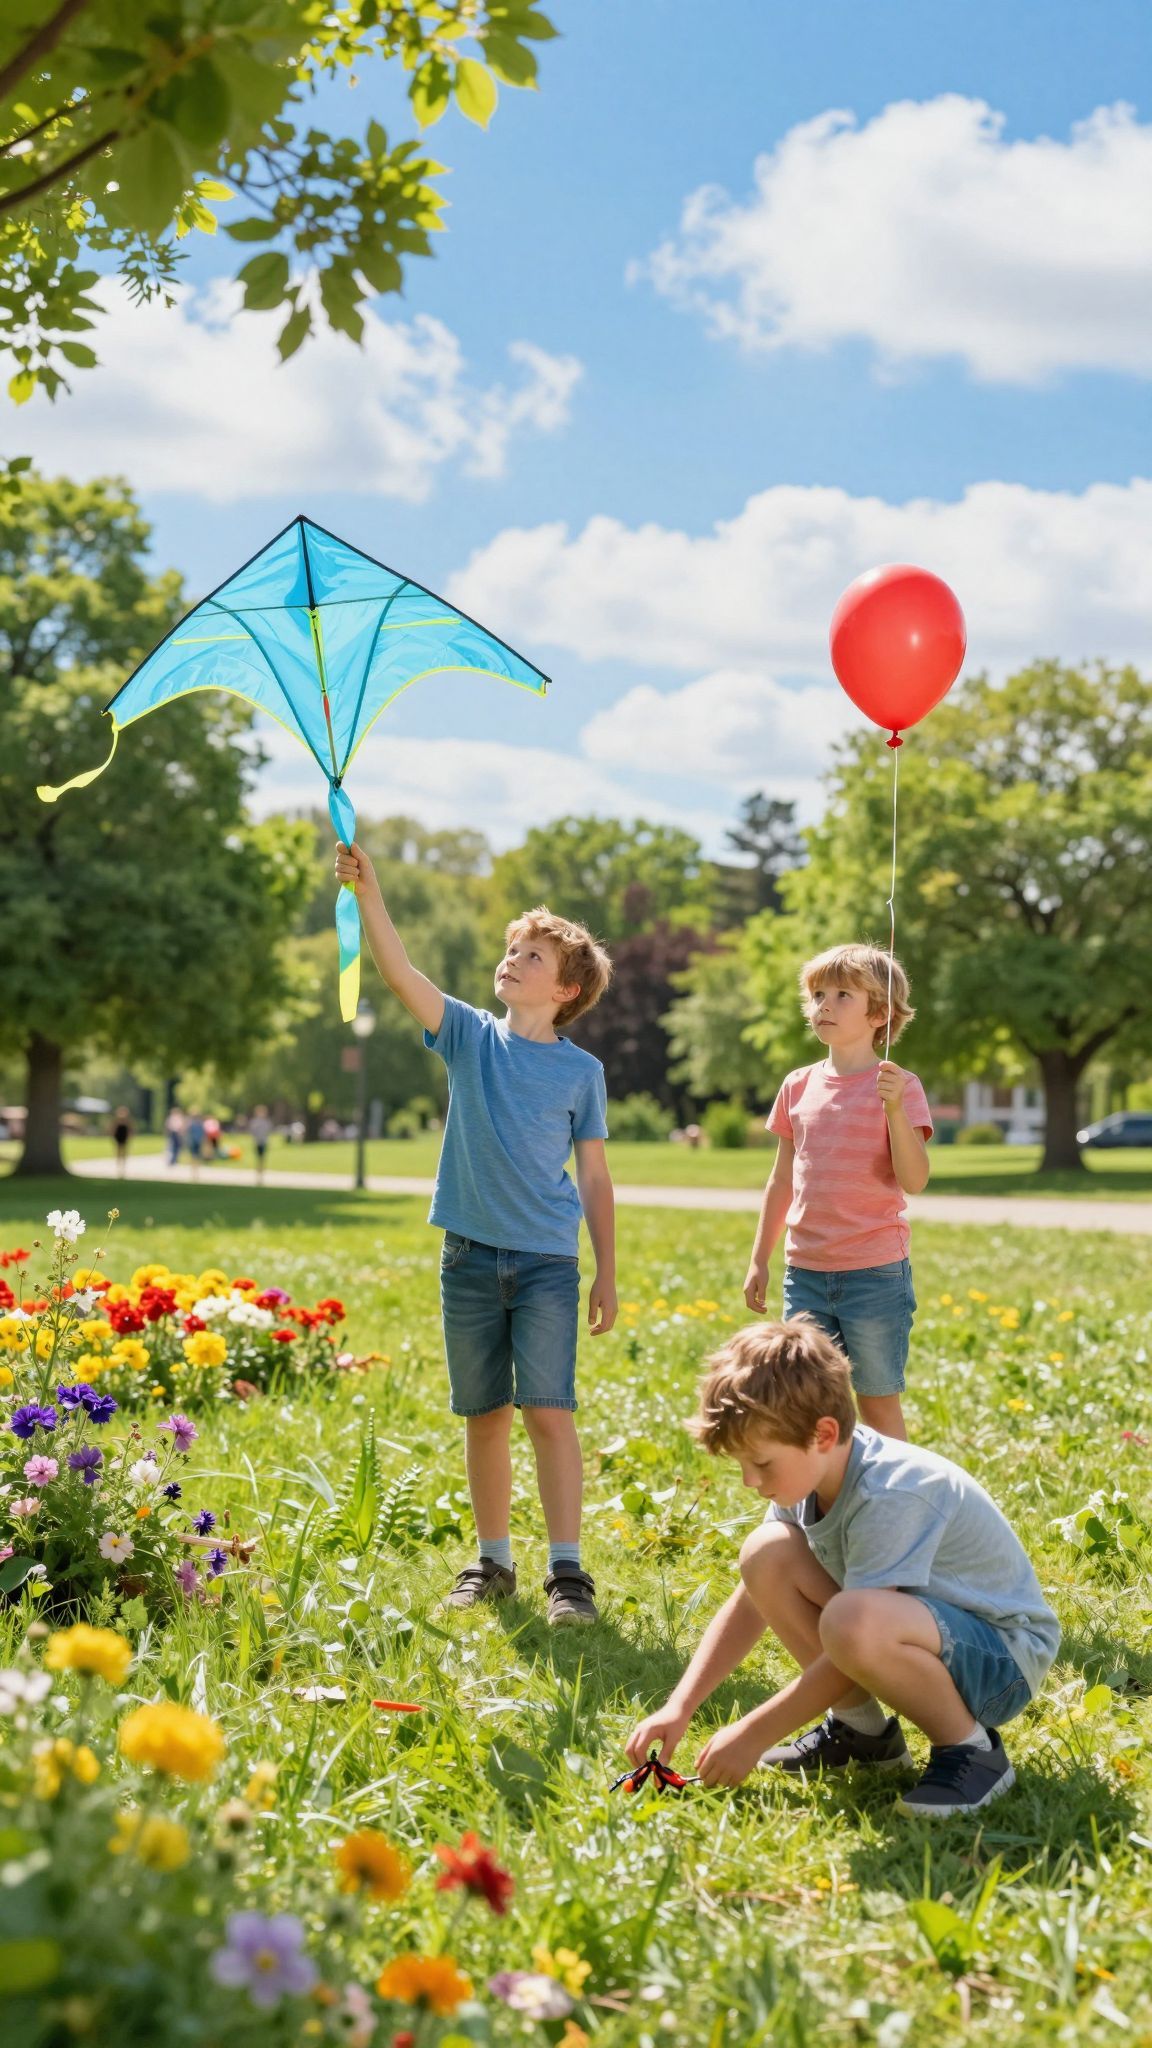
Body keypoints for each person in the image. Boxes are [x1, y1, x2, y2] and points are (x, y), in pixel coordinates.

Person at [334, 838, 616, 1626]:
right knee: (485, 1414)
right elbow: (399, 972)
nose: (512, 960)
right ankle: (494, 1560)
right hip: (466, 1258)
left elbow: (594, 1177)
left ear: (564, 988)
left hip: (548, 1264)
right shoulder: (466, 1034)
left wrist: (609, 1271)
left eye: (531, 955)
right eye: (511, 950)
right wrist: (368, 892)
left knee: (548, 1412)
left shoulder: (580, 1073)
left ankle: (569, 1574)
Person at [626, 1318, 1060, 1818]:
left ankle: (972, 1752)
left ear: (823, 1433)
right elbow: (753, 1601)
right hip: (923, 1636)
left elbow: (854, 1634)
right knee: (766, 1554)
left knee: (851, 1619)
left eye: (762, 1463)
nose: (749, 1480)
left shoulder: (891, 1491)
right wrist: (681, 1705)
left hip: (1002, 1659)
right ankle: (864, 1737)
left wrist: (754, 1732)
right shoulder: (808, 1478)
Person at [743, 943, 932, 1441]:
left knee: (877, 1404)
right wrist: (760, 1258)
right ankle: (804, 1510)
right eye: (818, 994)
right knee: (802, 1405)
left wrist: (894, 1111)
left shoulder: (900, 1086)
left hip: (874, 1273)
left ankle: (891, 1508)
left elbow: (914, 1179)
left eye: (842, 994)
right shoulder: (798, 1086)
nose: (823, 1005)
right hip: (804, 1273)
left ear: (880, 1013)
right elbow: (781, 1180)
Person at [249, 1105, 273, 1182]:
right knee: (258, 1158)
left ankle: (261, 1174)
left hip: (263, 1142)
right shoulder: (255, 1122)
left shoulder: (266, 1122)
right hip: (257, 1142)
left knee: (262, 1158)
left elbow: (268, 1133)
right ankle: (258, 1173)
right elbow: (253, 1132)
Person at [111, 1105, 133, 1179]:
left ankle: (122, 1166)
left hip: (124, 1137)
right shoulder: (117, 1121)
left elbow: (130, 1129)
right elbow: (113, 1129)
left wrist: (130, 1136)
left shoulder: (127, 1121)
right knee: (118, 1151)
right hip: (118, 1137)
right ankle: (119, 1166)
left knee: (124, 1152)